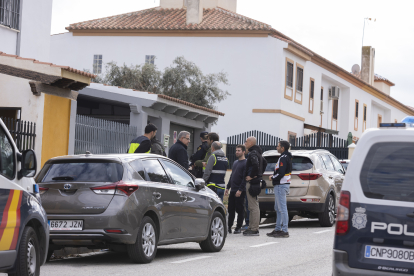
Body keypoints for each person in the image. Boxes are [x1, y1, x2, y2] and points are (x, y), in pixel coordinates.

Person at [267, 140, 292, 238]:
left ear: (283, 148)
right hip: (282, 185)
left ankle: (284, 230)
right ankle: (278, 229)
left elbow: (281, 173)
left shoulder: (283, 158)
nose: (276, 148)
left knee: (282, 208)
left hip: (281, 185)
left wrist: (272, 177)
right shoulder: (285, 157)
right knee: (278, 208)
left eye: (278, 146)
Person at [243, 136, 267, 236]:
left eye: (246, 141)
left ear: (251, 143)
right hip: (256, 181)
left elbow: (256, 165)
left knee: (253, 206)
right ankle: (251, 227)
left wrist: (252, 176)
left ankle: (254, 229)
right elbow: (264, 163)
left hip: (253, 183)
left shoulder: (253, 153)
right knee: (251, 206)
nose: (245, 143)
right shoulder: (258, 153)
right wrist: (259, 175)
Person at [225, 145, 247, 234]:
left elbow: (244, 178)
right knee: (231, 210)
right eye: (236, 150)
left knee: (240, 209)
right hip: (233, 190)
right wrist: (228, 187)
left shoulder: (246, 163)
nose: (237, 152)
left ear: (243, 152)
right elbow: (232, 176)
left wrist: (240, 190)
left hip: (240, 191)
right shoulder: (235, 163)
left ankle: (238, 227)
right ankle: (229, 227)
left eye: (239, 150)